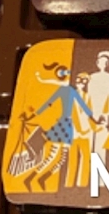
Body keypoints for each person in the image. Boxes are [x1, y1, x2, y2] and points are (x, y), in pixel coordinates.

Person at [24, 62, 94, 192]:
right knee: (53, 156)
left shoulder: (73, 91)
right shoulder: (67, 90)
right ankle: (31, 178)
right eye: (79, 79)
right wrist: (34, 115)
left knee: (61, 158)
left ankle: (42, 178)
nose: (81, 82)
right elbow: (49, 102)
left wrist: (94, 120)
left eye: (84, 81)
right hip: (63, 125)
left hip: (67, 126)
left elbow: (84, 108)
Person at [87, 51, 109, 160]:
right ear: (97, 63)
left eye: (105, 62)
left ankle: (100, 163)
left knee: (102, 136)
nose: (102, 64)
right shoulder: (92, 77)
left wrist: (107, 112)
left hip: (104, 108)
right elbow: (89, 93)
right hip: (93, 107)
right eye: (101, 62)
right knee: (89, 137)